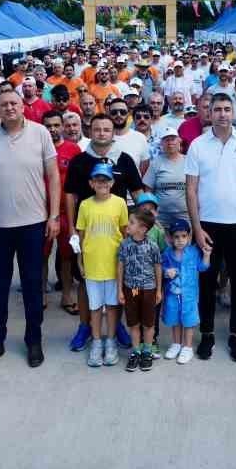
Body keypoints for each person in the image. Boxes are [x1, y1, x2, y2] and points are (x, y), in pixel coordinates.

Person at [0, 87, 60, 370]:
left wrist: (54, 215)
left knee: (33, 288)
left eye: (14, 103)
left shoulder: (40, 133)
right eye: (4, 104)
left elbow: (54, 176)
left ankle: (33, 340)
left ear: (23, 107)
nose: (9, 107)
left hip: (33, 224)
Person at [185, 93, 236, 362]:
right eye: (216, 109)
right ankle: (207, 334)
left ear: (233, 113)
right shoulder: (197, 145)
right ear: (209, 112)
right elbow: (191, 189)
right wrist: (196, 228)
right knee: (206, 283)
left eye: (226, 109)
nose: (221, 114)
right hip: (208, 226)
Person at [62, 113, 144, 352]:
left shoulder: (125, 160)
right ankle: (85, 326)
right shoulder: (79, 161)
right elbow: (70, 195)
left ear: (113, 132)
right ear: (90, 131)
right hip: (89, 232)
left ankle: (115, 326)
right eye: (97, 129)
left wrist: (145, 224)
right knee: (86, 280)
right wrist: (72, 230)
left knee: (116, 281)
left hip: (116, 234)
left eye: (106, 130)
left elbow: (138, 193)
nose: (101, 133)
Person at [77, 161, 127, 368]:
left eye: (106, 179)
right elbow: (81, 236)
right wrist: (80, 262)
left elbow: (124, 234)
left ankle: (111, 341)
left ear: (112, 182)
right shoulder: (85, 205)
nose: (102, 183)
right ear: (91, 183)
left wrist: (123, 264)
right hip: (93, 266)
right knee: (95, 307)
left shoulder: (120, 203)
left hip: (114, 266)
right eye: (98, 180)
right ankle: (97, 342)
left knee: (113, 307)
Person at [116, 210, 163, 371]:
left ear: (143, 229)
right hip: (133, 290)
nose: (128, 225)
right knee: (133, 322)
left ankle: (147, 351)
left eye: (131, 222)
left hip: (149, 290)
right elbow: (120, 266)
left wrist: (158, 290)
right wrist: (120, 290)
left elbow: (158, 267)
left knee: (148, 322)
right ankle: (136, 351)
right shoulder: (124, 245)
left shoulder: (153, 246)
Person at [48, 110, 83, 313]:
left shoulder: (73, 149)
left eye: (55, 125)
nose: (52, 129)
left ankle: (67, 295)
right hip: (42, 210)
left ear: (61, 126)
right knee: (41, 255)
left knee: (67, 255)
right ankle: (41, 292)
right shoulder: (38, 148)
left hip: (66, 210)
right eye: (48, 126)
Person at [161, 220, 210, 362]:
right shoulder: (168, 253)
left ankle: (187, 347)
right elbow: (161, 268)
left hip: (189, 295)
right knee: (175, 319)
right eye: (176, 237)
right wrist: (166, 272)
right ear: (170, 238)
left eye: (184, 236)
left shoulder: (193, 252)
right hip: (172, 295)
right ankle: (176, 344)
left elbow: (202, 267)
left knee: (188, 320)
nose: (180, 240)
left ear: (189, 237)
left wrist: (206, 255)